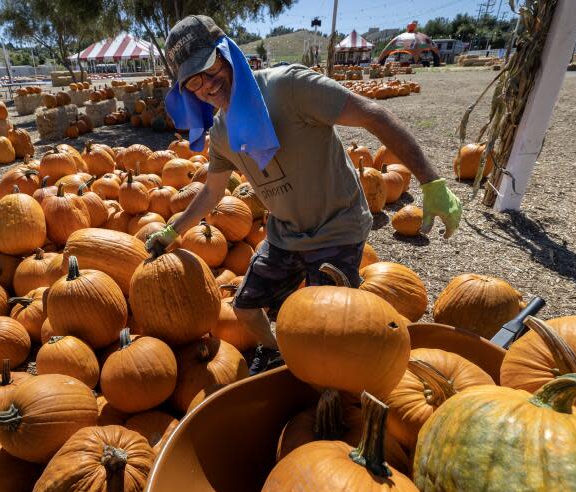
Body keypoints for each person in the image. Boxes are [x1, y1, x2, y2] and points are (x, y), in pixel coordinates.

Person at [146, 15, 461, 375]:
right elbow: (212, 190)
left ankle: (326, 380)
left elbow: (374, 115)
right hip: (286, 233)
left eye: (211, 66)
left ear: (227, 54)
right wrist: (175, 230)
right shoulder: (220, 132)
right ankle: (278, 352)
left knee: (326, 330)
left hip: (336, 228)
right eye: (193, 80)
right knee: (246, 306)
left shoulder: (289, 87)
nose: (208, 84)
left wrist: (431, 182)